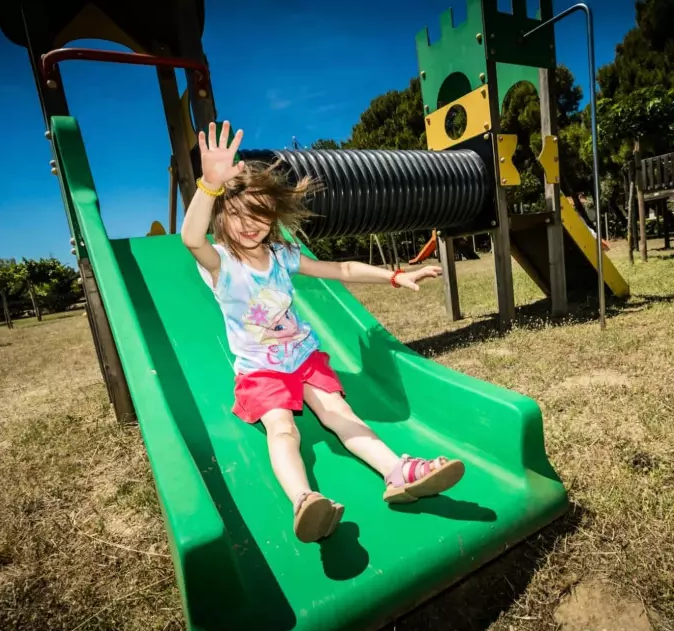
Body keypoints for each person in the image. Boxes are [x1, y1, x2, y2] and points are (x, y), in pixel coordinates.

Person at [181, 121, 466, 543]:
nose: (249, 224)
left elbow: (342, 269)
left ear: (272, 216)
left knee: (341, 414)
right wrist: (209, 185)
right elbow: (191, 238)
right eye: (238, 213)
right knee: (283, 429)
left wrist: (393, 276)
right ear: (223, 215)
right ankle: (305, 500)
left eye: (260, 213)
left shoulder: (282, 256)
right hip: (261, 371)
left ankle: (397, 472)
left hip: (303, 358)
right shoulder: (221, 264)